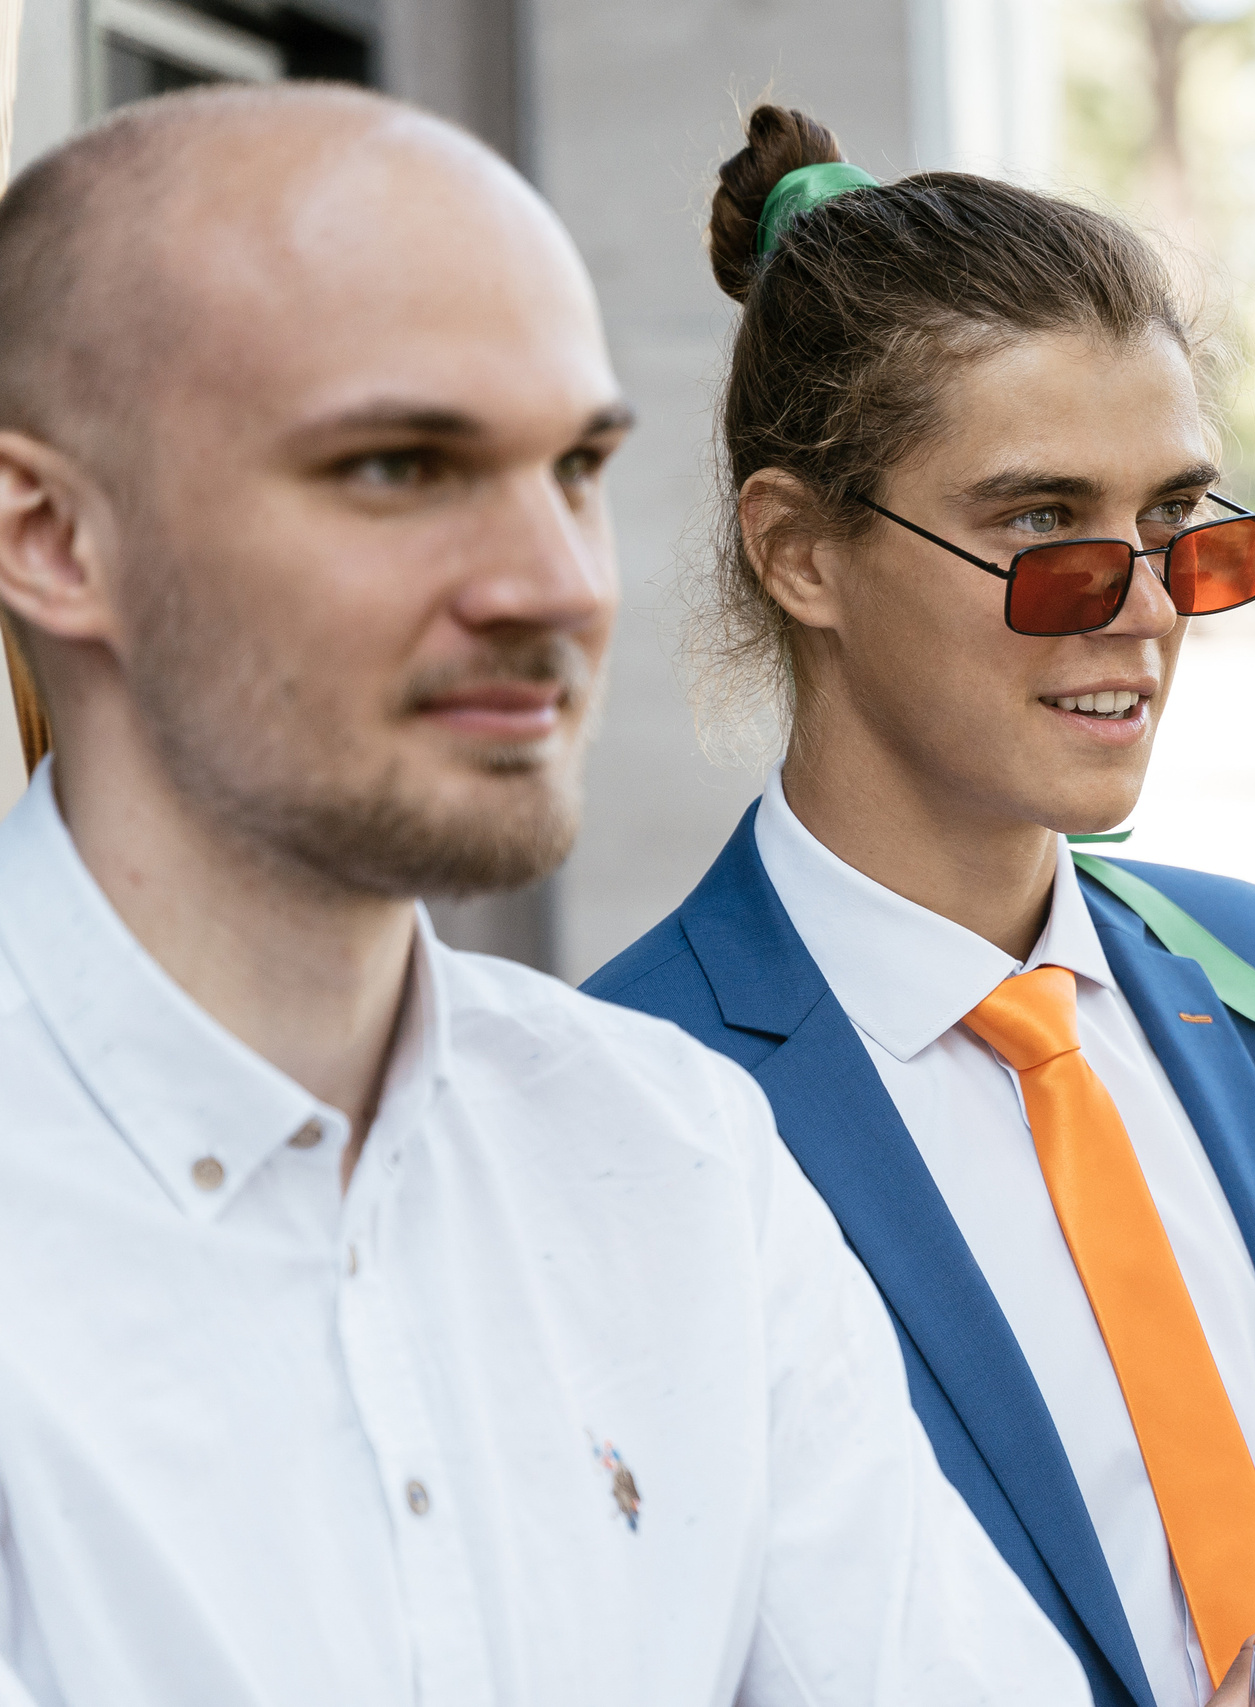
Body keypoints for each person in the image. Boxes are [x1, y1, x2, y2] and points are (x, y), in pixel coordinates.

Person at [0, 85, 1089, 1703]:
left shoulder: (680, 1156)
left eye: (576, 465)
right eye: (396, 465)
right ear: (51, 534)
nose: (562, 582)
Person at [584, 105, 1255, 1707]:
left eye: (1178, 526)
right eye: (1040, 525)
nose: (1141, 609)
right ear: (798, 551)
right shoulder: (620, 1095)